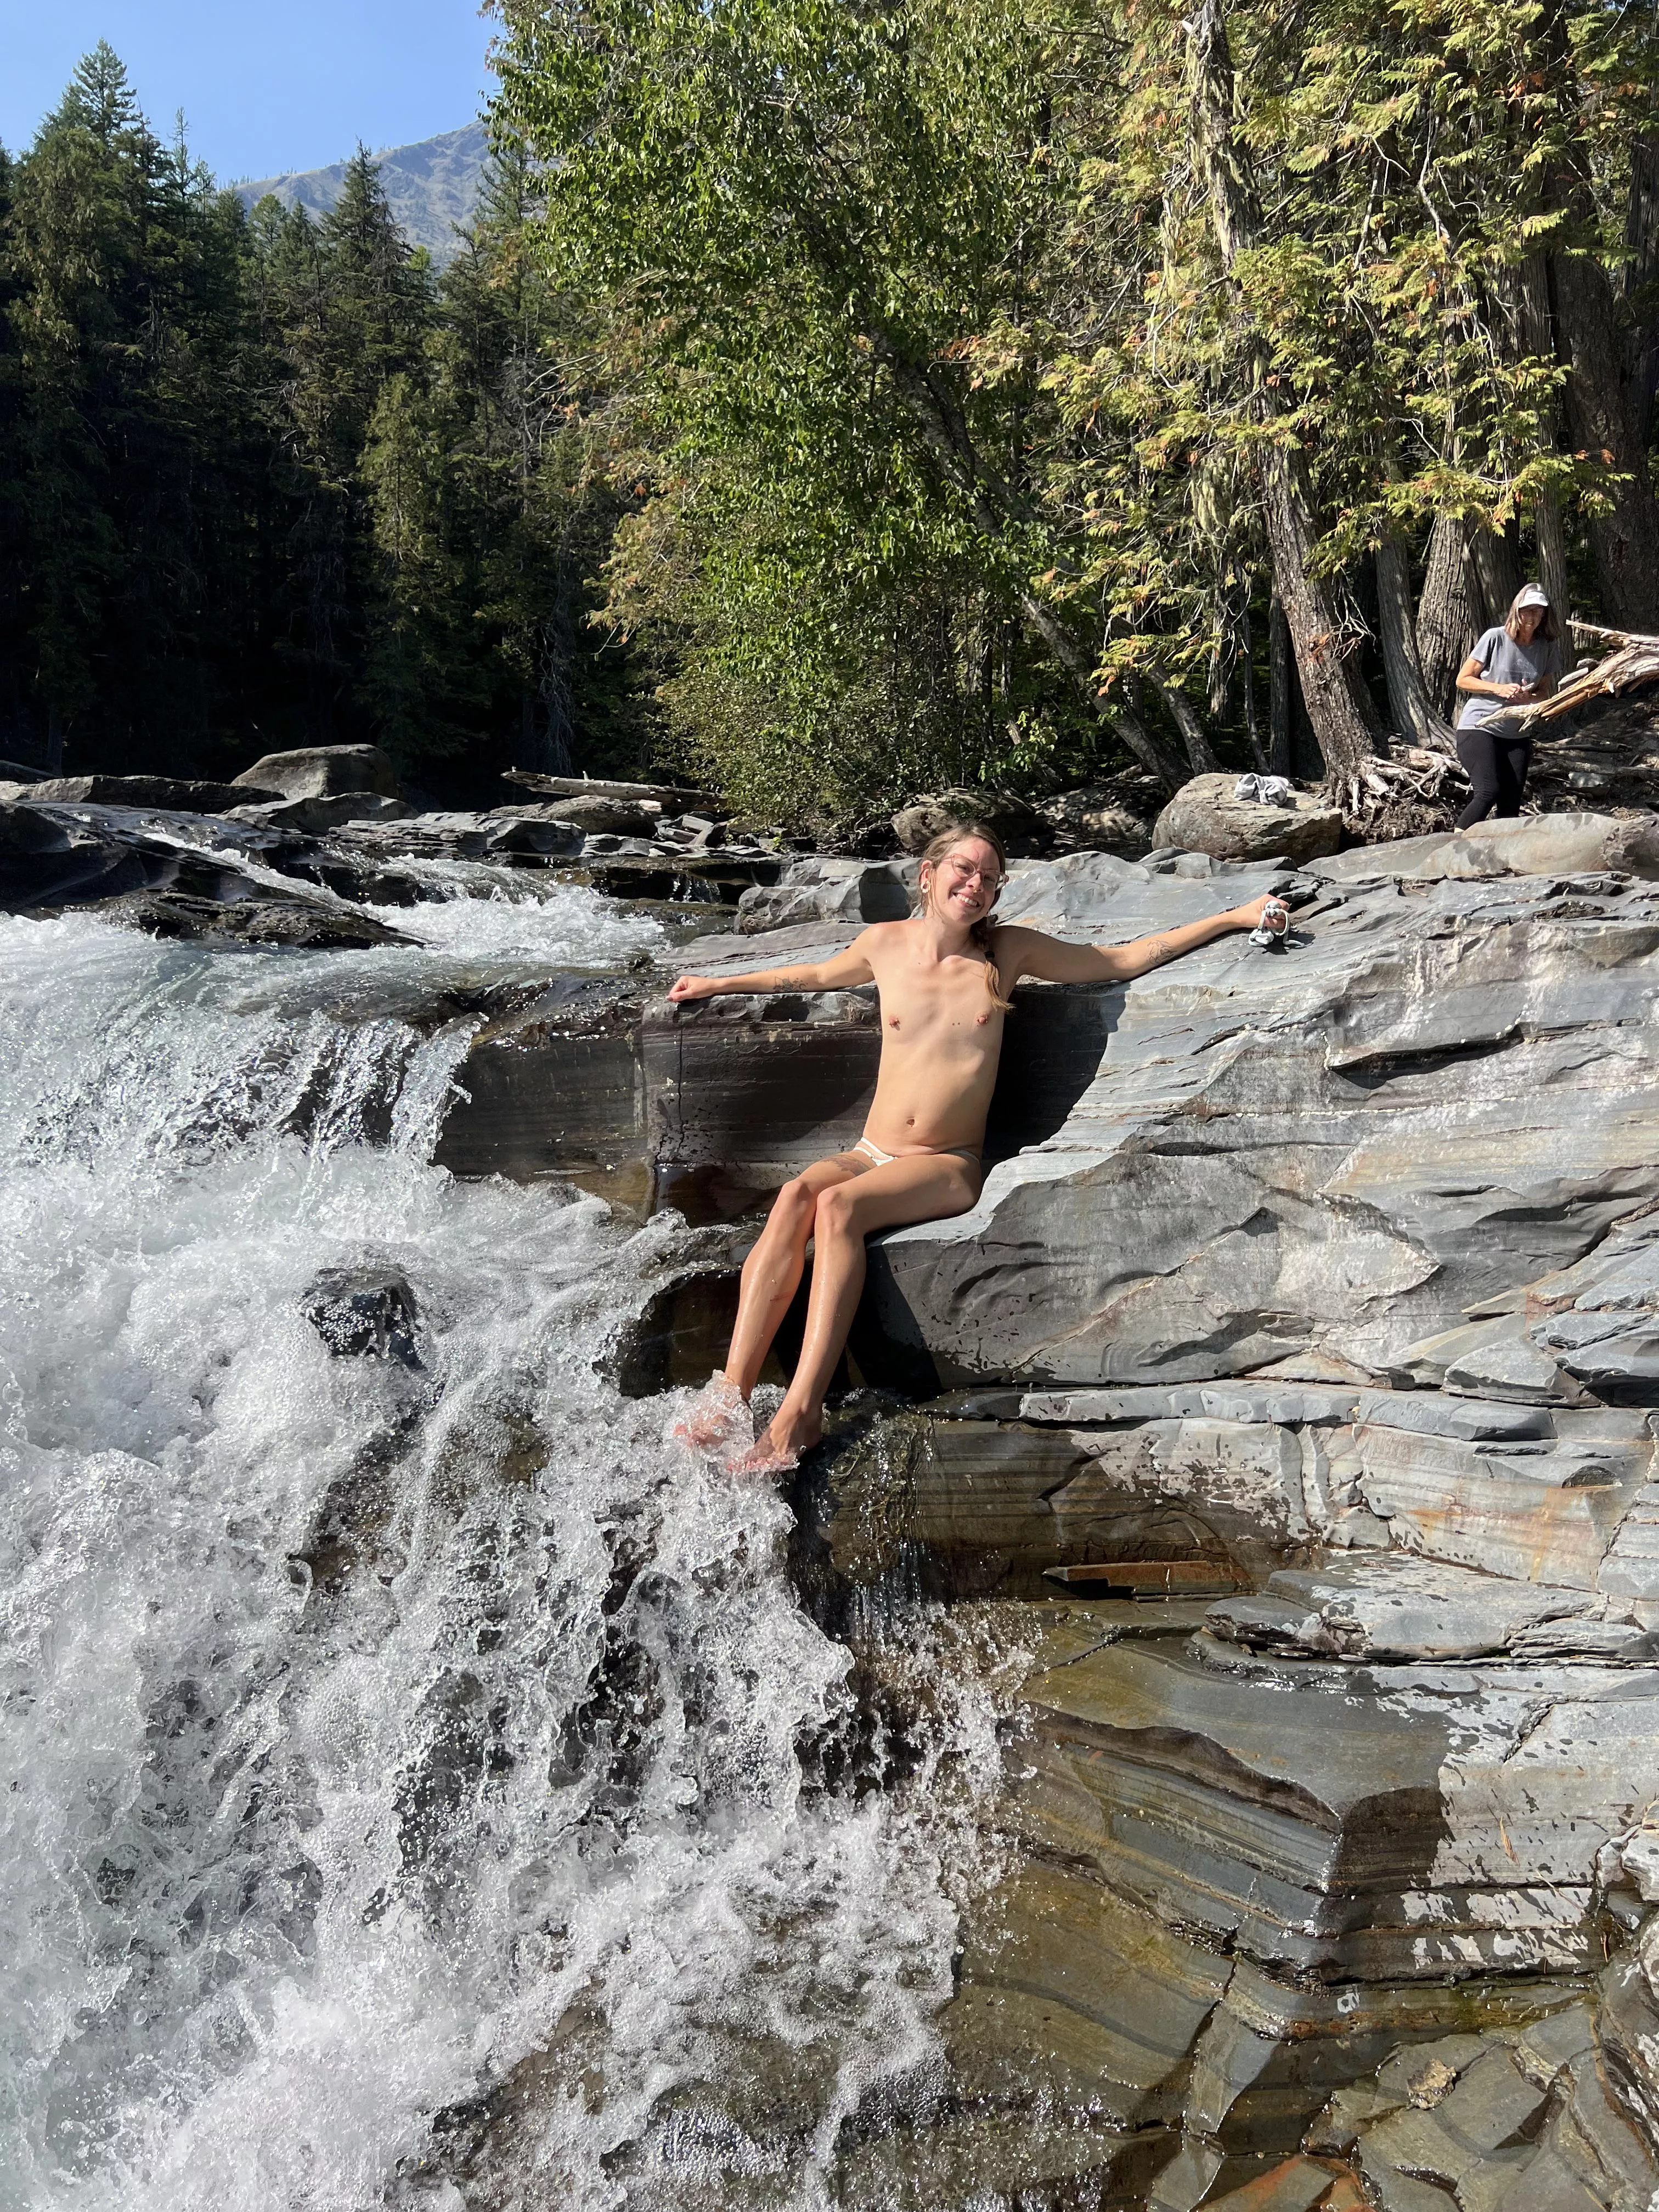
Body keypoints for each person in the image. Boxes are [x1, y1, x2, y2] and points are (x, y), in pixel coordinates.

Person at [665, 821, 1289, 1475]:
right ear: (928, 875)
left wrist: (1233, 915)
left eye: (990, 878)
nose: (976, 885)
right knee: (796, 1196)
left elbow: (1121, 959)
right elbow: (812, 974)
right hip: (872, 1149)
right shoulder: (883, 944)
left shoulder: (1005, 955)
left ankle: (801, 1412)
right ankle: (730, 1396)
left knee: (840, 1210)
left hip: (945, 1164)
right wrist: (717, 985)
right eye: (964, 870)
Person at [1453, 583, 1562, 829]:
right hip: (1480, 726)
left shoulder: (1547, 647)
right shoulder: (1495, 637)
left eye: (1538, 611)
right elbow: (1463, 680)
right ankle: (1452, 846)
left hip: (1517, 732)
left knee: (1511, 804)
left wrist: (1529, 698)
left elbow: (1544, 692)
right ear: (1517, 611)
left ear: (1544, 614)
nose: (1532, 617)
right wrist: (1498, 688)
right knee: (1488, 791)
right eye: (1527, 610)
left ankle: (1500, 860)